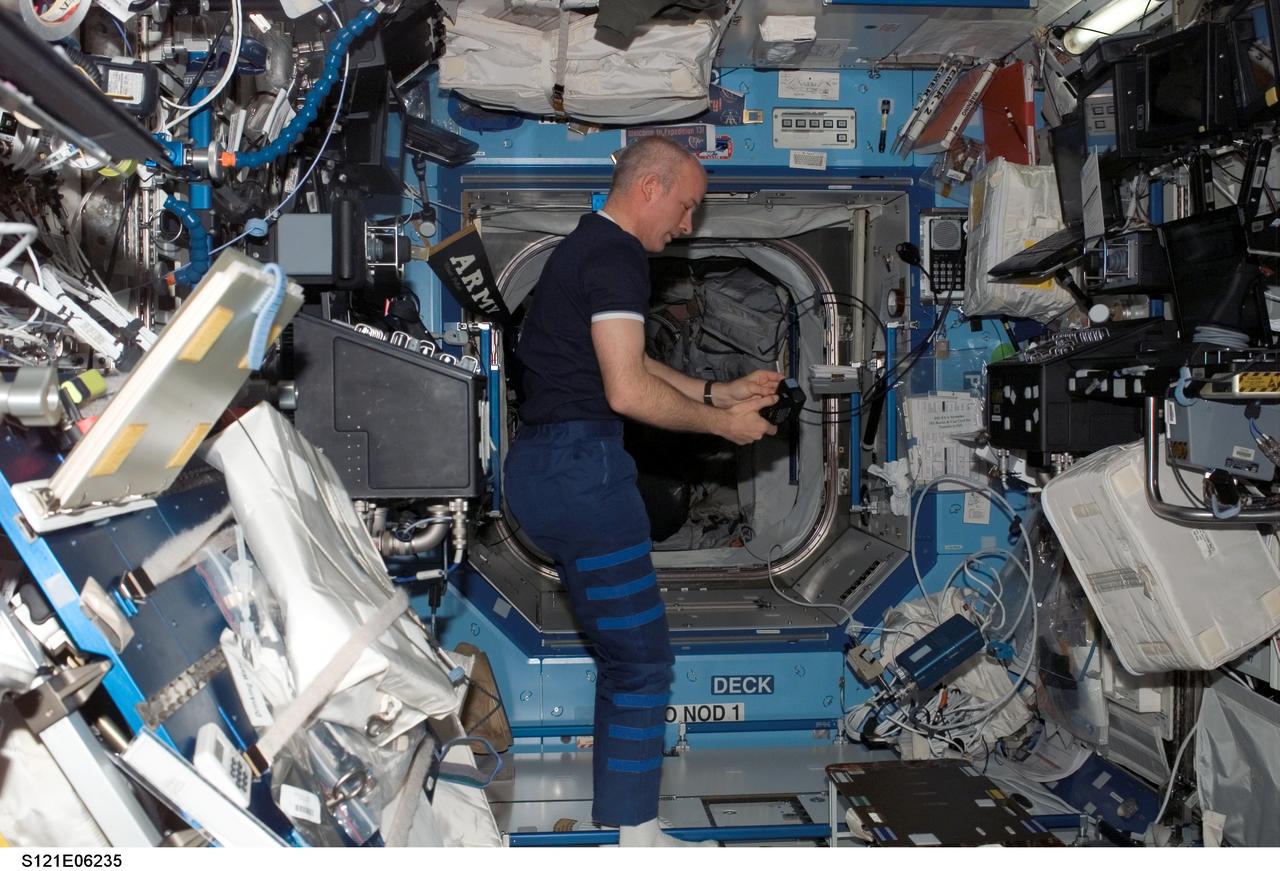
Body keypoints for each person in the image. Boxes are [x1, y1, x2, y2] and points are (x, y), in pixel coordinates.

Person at [503, 136, 783, 847]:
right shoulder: (619, 255)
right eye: (686, 207)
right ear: (651, 187)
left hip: (546, 472)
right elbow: (628, 392)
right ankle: (636, 837)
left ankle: (632, 824)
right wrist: (722, 422)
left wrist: (720, 386)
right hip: (583, 472)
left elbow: (622, 367)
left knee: (629, 655)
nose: (686, 228)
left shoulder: (584, 250)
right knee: (641, 659)